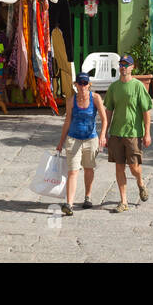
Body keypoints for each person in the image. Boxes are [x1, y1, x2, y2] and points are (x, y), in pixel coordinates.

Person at [54, 73, 108, 216]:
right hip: (73, 139)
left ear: (89, 84)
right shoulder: (71, 101)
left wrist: (103, 135)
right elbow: (67, 121)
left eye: (85, 83)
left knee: (89, 168)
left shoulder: (95, 98)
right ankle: (69, 204)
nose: (82, 86)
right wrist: (61, 142)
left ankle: (87, 196)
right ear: (75, 85)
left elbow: (104, 119)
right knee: (73, 171)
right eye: (80, 83)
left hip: (91, 139)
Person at [103, 55, 152, 212]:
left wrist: (147, 133)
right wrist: (104, 132)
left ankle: (140, 182)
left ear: (132, 67)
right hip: (116, 133)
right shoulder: (114, 87)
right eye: (121, 64)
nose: (123, 67)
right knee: (119, 167)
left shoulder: (138, 86)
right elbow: (109, 110)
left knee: (133, 167)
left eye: (126, 64)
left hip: (133, 132)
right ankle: (123, 201)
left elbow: (146, 111)